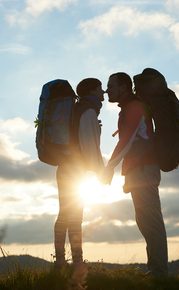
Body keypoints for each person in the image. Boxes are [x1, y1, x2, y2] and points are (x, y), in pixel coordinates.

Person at [99, 72, 168, 276]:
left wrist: (109, 167)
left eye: (110, 86)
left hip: (143, 170)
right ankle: (155, 269)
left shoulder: (135, 107)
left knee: (151, 220)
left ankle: (159, 271)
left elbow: (126, 141)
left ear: (123, 87)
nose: (106, 90)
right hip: (138, 170)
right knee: (145, 221)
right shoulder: (129, 108)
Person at [54, 78, 105, 268]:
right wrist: (101, 171)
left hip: (63, 166)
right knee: (75, 216)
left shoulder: (74, 109)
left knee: (64, 214)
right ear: (92, 91)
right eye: (100, 88)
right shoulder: (88, 110)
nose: (104, 92)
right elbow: (90, 145)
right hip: (75, 169)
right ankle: (77, 261)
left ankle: (60, 260)